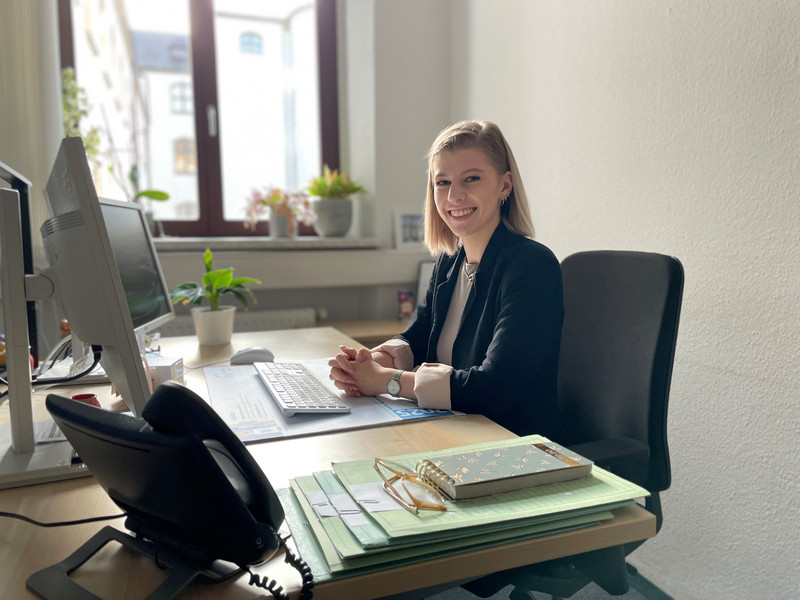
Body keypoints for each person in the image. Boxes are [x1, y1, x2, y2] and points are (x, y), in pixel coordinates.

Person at [328, 120, 564, 438]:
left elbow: (495, 387)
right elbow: (420, 335)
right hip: (455, 429)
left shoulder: (531, 266)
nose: (455, 195)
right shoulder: (449, 261)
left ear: (504, 186)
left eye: (472, 179)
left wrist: (386, 380)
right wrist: (372, 361)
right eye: (442, 182)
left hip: (513, 443)